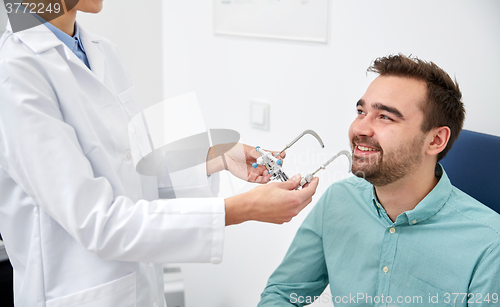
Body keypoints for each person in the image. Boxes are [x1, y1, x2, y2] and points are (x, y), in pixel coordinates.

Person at [0, 1, 319, 307]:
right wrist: (241, 209)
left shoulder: (101, 51)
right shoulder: (17, 75)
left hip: (138, 288)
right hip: (76, 292)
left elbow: (133, 168)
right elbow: (100, 223)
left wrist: (217, 157)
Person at [258, 54, 500, 306]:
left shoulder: (490, 246)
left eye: (385, 116)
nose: (360, 128)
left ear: (435, 140)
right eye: (361, 111)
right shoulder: (338, 199)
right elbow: (283, 294)